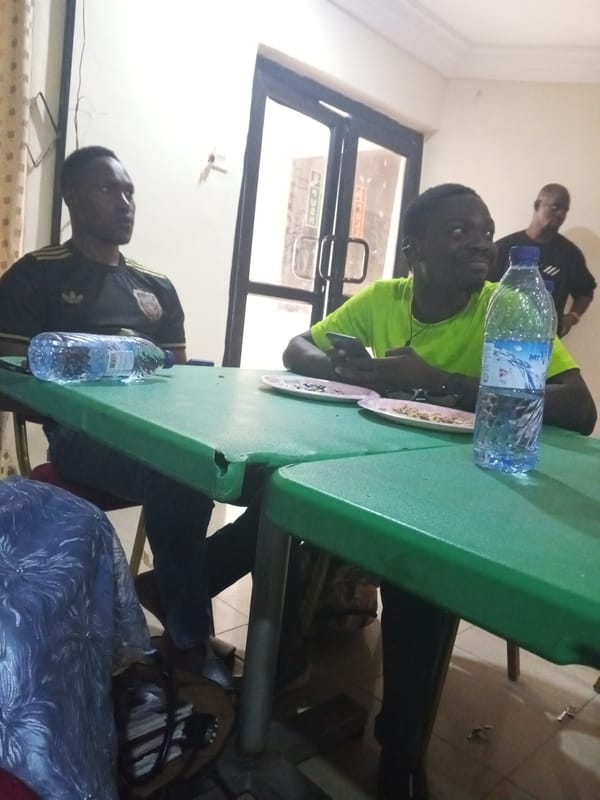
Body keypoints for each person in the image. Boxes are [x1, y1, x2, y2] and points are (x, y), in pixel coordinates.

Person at [282, 183, 597, 799]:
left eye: (484, 228)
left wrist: (442, 383)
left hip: (466, 495)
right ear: (413, 251)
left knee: (417, 569)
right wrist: (349, 369)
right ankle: (252, 665)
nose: (480, 240)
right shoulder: (386, 298)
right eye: (459, 230)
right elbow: (297, 349)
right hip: (374, 474)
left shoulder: (503, 305)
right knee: (279, 503)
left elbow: (580, 409)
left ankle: (400, 745)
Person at [0, 146, 271, 686]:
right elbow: (6, 383)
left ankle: (180, 594)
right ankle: (191, 643)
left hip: (160, 432)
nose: (125, 203)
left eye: (129, 193)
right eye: (108, 190)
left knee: (274, 485)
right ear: (72, 197)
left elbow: (176, 381)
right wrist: (79, 400)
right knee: (179, 473)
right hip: (81, 437)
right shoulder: (36, 275)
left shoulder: (156, 286)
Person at [488, 183, 596, 337]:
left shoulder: (570, 254)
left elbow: (585, 290)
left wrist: (572, 317)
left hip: (544, 342)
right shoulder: (504, 247)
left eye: (565, 210)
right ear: (537, 205)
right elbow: (482, 289)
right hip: (501, 338)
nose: (560, 214)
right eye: (555, 207)